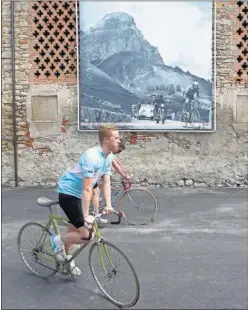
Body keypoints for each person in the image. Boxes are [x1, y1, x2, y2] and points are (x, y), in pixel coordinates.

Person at [51, 124, 121, 276]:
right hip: (69, 193)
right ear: (107, 139)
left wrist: (108, 204)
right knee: (86, 235)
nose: (118, 141)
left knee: (73, 230)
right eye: (116, 138)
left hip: (80, 194)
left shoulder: (108, 157)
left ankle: (68, 259)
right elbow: (87, 189)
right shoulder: (91, 156)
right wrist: (86, 217)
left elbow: (106, 182)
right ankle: (56, 240)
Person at [91, 139, 130, 223]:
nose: (119, 152)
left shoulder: (110, 153)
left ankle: (96, 207)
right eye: (119, 150)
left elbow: (118, 163)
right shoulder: (108, 154)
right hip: (92, 176)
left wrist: (125, 174)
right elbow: (116, 166)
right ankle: (96, 215)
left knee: (100, 189)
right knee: (96, 192)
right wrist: (125, 176)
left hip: (96, 176)